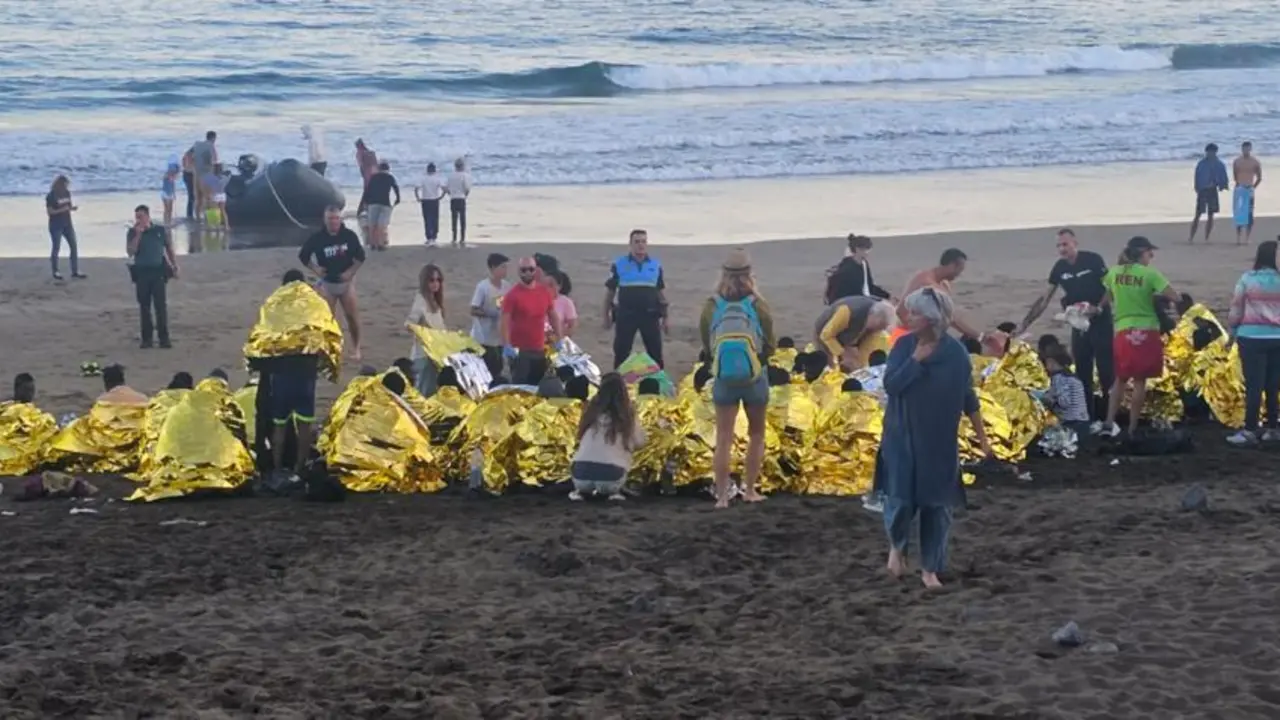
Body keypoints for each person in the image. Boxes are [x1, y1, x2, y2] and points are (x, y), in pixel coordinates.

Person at [881, 287, 992, 589]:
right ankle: (898, 546)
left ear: (930, 320)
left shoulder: (956, 355)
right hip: (901, 436)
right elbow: (892, 385)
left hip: (939, 441)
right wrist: (915, 360)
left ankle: (931, 568)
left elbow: (968, 397)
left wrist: (983, 440)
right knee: (900, 501)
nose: (909, 316)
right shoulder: (904, 346)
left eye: (915, 313)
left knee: (936, 506)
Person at [699, 248, 775, 509]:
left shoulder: (712, 305)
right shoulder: (757, 304)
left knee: (723, 437)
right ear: (749, 274)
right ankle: (750, 489)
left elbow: (706, 344)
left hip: (723, 378)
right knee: (756, 434)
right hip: (754, 376)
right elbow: (770, 342)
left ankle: (721, 496)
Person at [1016, 228, 1114, 422]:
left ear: (1075, 243)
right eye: (1059, 246)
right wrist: (1025, 324)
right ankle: (1086, 418)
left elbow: (1111, 287)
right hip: (1078, 322)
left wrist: (1098, 308)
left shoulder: (1093, 260)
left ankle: (1110, 419)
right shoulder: (1060, 268)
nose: (1062, 249)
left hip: (1100, 320)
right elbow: (1044, 299)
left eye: (1065, 244)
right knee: (1082, 371)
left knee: (1106, 372)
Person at [250, 270, 323, 489]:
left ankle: (278, 467)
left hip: (281, 375)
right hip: (305, 375)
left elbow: (263, 338)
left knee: (279, 425)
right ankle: (299, 469)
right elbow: (325, 335)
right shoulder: (313, 306)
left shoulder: (274, 306)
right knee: (304, 426)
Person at [1100, 236, 1179, 438]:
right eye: (1149, 253)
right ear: (1141, 253)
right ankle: (1133, 427)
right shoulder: (1150, 274)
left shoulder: (1114, 272)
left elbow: (1106, 298)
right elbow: (1174, 296)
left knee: (1120, 379)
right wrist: (1154, 297)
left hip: (1122, 329)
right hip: (1146, 329)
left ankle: (1109, 422)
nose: (1151, 256)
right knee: (1140, 381)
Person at [1225, 239, 1280, 446]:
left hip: (1252, 337)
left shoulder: (1247, 279)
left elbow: (1236, 308)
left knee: (1254, 386)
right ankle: (1273, 428)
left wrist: (1232, 332)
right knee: (1273, 386)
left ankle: (1250, 429)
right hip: (1277, 337)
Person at [299, 206, 365, 361]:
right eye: (330, 219)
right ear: (325, 220)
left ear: (340, 219)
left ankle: (356, 348)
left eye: (336, 218)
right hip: (327, 283)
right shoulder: (318, 238)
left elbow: (360, 257)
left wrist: (350, 272)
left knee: (352, 317)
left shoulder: (349, 235)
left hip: (346, 283)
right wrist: (315, 269)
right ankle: (329, 349)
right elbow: (303, 256)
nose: (334, 222)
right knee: (328, 319)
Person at [570, 372, 645, 502]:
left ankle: (581, 492)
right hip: (611, 477)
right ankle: (613, 492)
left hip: (579, 476)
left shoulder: (589, 414)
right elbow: (640, 442)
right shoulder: (627, 418)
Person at [897, 249, 991, 343]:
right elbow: (900, 311)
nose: (959, 274)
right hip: (906, 335)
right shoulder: (925, 281)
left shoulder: (944, 284)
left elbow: (949, 317)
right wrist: (916, 338)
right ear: (952, 265)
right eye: (959, 270)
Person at [605, 229, 668, 368]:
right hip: (626, 315)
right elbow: (610, 292)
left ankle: (659, 385)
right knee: (621, 353)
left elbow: (660, 293)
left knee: (655, 353)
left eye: (644, 241)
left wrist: (666, 318)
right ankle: (618, 383)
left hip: (650, 315)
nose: (641, 245)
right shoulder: (619, 264)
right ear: (630, 244)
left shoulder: (655, 265)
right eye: (637, 242)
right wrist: (606, 315)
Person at [501, 257, 563, 385]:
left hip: (539, 349)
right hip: (519, 351)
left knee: (537, 386)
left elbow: (552, 315)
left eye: (531, 269)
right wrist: (506, 344)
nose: (528, 273)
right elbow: (504, 322)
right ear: (519, 272)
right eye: (524, 270)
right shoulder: (512, 295)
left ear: (536, 271)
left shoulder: (544, 292)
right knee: (520, 387)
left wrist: (559, 337)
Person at [126, 204, 179, 349]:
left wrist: (174, 266)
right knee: (144, 307)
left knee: (160, 306)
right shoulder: (132, 232)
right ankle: (147, 339)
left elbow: (168, 248)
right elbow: (131, 252)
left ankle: (164, 338)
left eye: (141, 217)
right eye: (137, 217)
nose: (138, 220)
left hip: (158, 272)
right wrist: (138, 234)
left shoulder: (159, 230)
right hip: (142, 272)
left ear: (148, 216)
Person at [814, 296, 897, 371]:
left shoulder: (875, 327)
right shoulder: (847, 311)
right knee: (827, 366)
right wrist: (842, 353)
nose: (879, 330)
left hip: (849, 337)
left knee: (853, 364)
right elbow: (826, 335)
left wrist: (861, 367)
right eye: (880, 325)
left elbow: (866, 349)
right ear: (873, 316)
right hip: (825, 332)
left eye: (883, 327)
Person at [406, 263, 447, 397]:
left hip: (437, 354)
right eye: (432, 280)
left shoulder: (435, 301)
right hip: (424, 355)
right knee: (424, 393)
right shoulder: (421, 301)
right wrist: (425, 334)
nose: (435, 284)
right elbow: (409, 324)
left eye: (438, 280)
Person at [470, 253, 511, 376]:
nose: (505, 270)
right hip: (483, 338)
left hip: (499, 337)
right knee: (485, 370)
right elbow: (473, 309)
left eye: (506, 267)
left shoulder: (507, 286)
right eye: (502, 267)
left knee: (498, 368)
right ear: (493, 268)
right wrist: (490, 314)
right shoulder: (483, 287)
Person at [825, 234, 892, 303]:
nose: (868, 252)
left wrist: (887, 296)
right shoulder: (847, 269)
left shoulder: (864, 264)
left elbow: (869, 286)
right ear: (858, 249)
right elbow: (848, 293)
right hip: (849, 302)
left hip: (862, 298)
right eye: (866, 249)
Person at [1041, 346, 1090, 435]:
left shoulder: (1059, 378)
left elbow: (1065, 402)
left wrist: (1049, 399)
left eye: (1046, 363)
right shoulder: (1071, 377)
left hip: (1071, 422)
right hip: (1082, 421)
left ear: (1052, 362)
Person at [1189, 143, 1230, 244]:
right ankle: (1191, 237)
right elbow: (1197, 176)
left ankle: (1207, 238)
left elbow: (1223, 177)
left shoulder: (1219, 164)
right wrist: (1197, 187)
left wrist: (1223, 185)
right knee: (1198, 214)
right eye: (1209, 152)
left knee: (1211, 215)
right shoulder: (1201, 163)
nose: (1210, 154)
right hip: (1203, 190)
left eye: (1212, 152)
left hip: (1212, 190)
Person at [45, 175, 82, 280]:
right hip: (56, 225)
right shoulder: (51, 196)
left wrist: (72, 208)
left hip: (67, 224)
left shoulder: (67, 193)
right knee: (56, 247)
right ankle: (55, 271)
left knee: (73, 246)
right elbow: (50, 212)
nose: (67, 187)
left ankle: (75, 270)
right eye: (65, 185)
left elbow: (68, 207)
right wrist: (62, 210)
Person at [360, 162, 400, 251]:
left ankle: (373, 244)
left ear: (379, 169)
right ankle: (381, 244)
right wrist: (398, 199)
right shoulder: (390, 177)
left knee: (372, 224)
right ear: (388, 169)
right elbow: (396, 188)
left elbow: (367, 190)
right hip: (385, 203)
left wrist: (365, 201)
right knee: (382, 225)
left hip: (373, 203)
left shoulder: (373, 177)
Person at [1234, 141, 1263, 245]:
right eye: (1244, 149)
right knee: (1239, 214)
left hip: (1249, 188)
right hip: (1240, 188)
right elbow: (1235, 175)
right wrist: (1238, 185)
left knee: (1249, 214)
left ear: (1250, 149)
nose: (1245, 150)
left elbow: (1259, 177)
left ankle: (1247, 237)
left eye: (1247, 148)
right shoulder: (1237, 161)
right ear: (1242, 149)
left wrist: (1253, 187)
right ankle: (1238, 237)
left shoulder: (1255, 162)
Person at [190, 131, 218, 221]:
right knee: (211, 198)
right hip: (208, 175)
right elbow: (215, 160)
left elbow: (189, 156)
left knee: (198, 199)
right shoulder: (211, 146)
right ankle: (211, 220)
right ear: (214, 138)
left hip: (196, 175)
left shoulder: (197, 144)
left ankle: (197, 219)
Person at [415, 162, 444, 246]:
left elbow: (416, 188)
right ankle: (434, 237)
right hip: (435, 200)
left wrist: (417, 197)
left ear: (427, 170)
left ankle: (429, 237)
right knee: (435, 218)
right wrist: (441, 196)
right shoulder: (437, 179)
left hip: (425, 200)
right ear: (434, 170)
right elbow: (444, 188)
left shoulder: (423, 178)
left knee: (427, 219)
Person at [445, 157, 472, 247]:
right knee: (462, 219)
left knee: (454, 219)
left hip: (453, 198)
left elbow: (447, 188)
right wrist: (465, 195)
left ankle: (454, 237)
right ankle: (462, 238)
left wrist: (451, 194)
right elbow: (467, 188)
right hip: (461, 198)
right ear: (462, 166)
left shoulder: (451, 176)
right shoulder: (465, 175)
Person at [548, 270, 577, 338]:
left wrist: (558, 335)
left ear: (559, 286)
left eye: (551, 285)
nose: (548, 288)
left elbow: (572, 326)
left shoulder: (566, 302)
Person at [354, 139, 378, 213]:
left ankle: (363, 209)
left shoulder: (360, 153)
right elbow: (376, 164)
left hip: (368, 174)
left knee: (367, 192)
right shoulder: (371, 153)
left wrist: (363, 174)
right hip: (374, 174)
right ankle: (367, 208)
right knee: (372, 192)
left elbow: (361, 165)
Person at [161, 162, 180, 227]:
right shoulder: (166, 175)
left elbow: (173, 185)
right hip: (165, 193)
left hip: (169, 194)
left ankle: (168, 221)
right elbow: (165, 179)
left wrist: (174, 194)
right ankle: (166, 222)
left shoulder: (172, 177)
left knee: (169, 209)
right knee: (167, 209)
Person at [181, 148, 196, 221]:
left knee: (191, 196)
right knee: (192, 196)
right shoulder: (192, 156)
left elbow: (183, 164)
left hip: (185, 174)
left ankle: (190, 214)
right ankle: (190, 214)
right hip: (190, 175)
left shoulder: (186, 155)